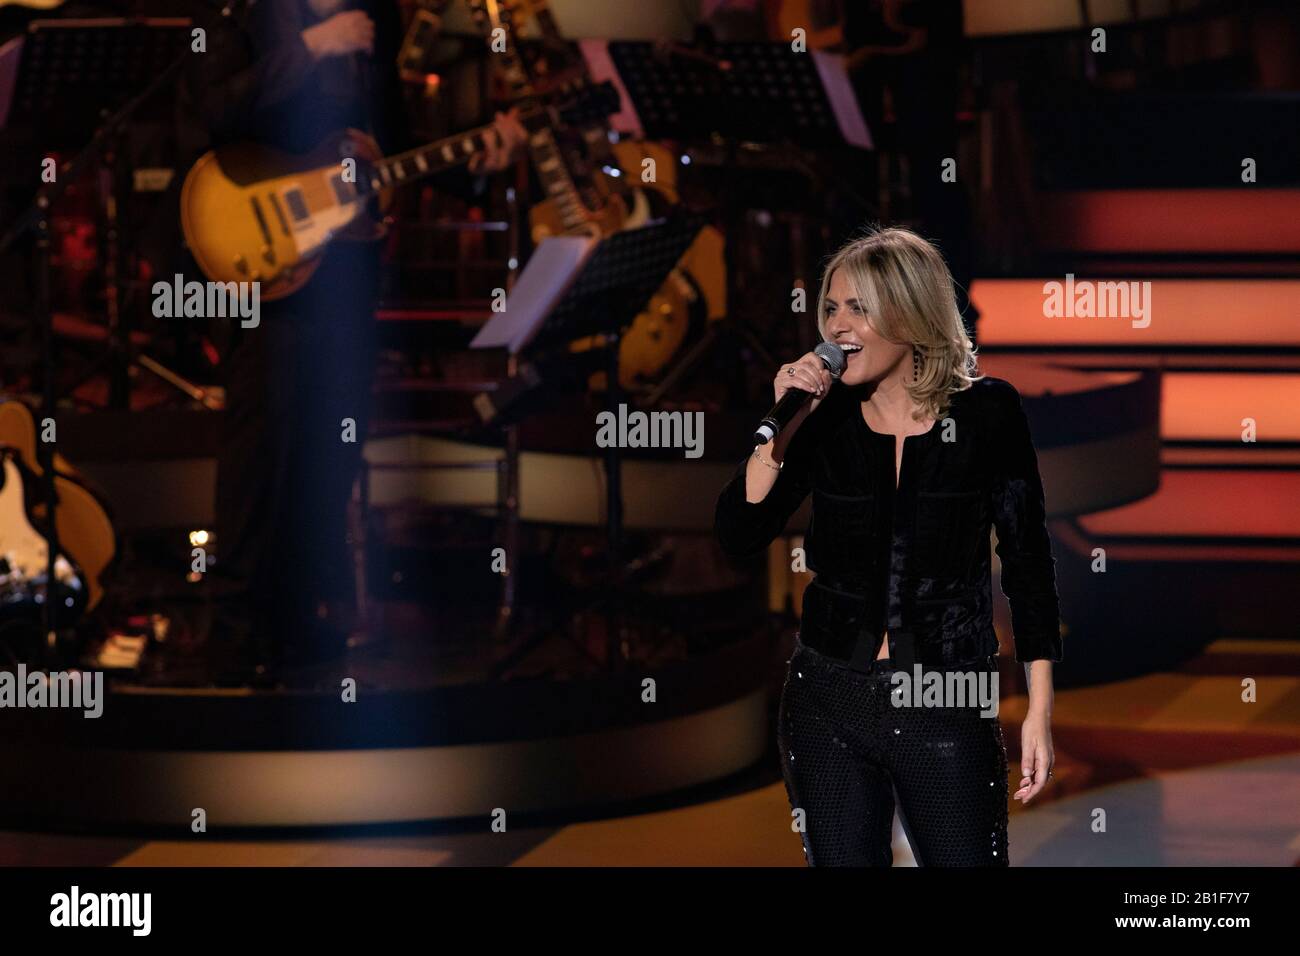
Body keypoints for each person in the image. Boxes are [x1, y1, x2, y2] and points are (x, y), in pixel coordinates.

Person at [155, 0, 526, 685]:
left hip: (345, 267)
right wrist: (314, 46)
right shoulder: (239, 12)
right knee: (264, 442)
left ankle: (302, 616)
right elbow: (208, 115)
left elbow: (396, 143)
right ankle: (234, 626)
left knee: (333, 444)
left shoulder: (374, 16)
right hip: (261, 253)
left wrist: (477, 157)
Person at [713, 226, 1062, 866]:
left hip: (944, 699)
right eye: (830, 308)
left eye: (860, 308)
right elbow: (738, 532)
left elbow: (1027, 565)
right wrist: (781, 432)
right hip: (826, 699)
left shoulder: (988, 414)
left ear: (910, 312)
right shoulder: (824, 420)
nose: (838, 327)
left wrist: (1038, 708)